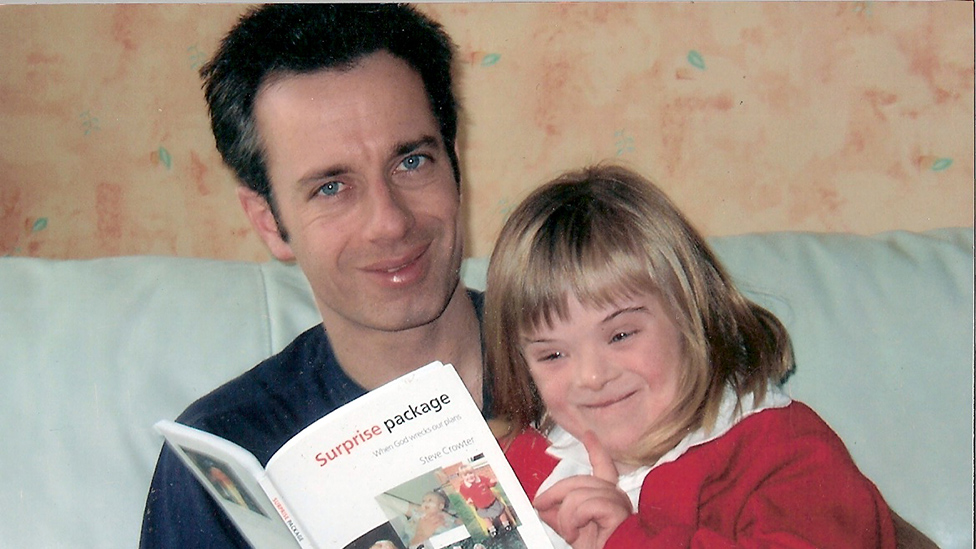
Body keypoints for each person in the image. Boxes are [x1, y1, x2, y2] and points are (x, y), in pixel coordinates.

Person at [139, 5, 484, 547]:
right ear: (269, 222)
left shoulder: (602, 364)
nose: (389, 223)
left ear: (455, 167)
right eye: (331, 187)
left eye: (411, 162)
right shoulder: (224, 459)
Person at [485, 164, 898, 548]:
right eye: (553, 355)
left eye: (621, 335)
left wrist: (627, 540)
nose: (591, 377)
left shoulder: (783, 452)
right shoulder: (522, 463)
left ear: (690, 315)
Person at [456, 463, 514, 536]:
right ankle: (492, 529)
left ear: (474, 472)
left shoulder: (480, 479)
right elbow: (465, 495)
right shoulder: (464, 487)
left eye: (470, 473)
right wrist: (469, 500)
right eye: (466, 475)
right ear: (462, 477)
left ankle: (506, 524)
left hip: (492, 501)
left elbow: (489, 483)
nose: (469, 476)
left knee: (501, 512)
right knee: (486, 517)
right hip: (480, 506)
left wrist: (492, 482)